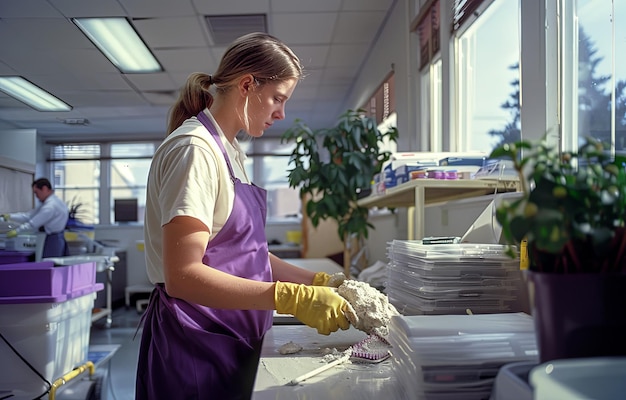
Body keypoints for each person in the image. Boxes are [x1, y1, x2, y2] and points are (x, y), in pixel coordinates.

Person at [136, 32, 354, 400]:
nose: (282, 114)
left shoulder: (230, 151)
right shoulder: (195, 151)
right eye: (277, 99)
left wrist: (319, 282)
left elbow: (244, 255)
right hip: (196, 344)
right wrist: (291, 298)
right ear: (247, 85)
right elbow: (183, 276)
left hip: (233, 335)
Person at [1, 178, 69, 258]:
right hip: (53, 238)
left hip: (52, 240)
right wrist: (10, 216)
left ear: (44, 189)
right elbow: (28, 216)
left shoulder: (50, 206)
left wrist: (17, 231)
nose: (36, 196)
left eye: (36, 192)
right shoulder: (53, 202)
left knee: (48, 264)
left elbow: (33, 224)